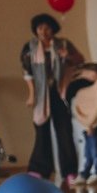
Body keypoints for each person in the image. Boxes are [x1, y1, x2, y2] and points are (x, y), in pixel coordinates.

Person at [20, 13, 84, 183]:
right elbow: (28, 73)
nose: (43, 31)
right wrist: (32, 95)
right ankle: (39, 169)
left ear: (53, 29)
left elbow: (80, 60)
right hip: (42, 94)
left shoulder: (63, 44)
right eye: (40, 27)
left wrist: (67, 56)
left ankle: (70, 171)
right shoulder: (30, 47)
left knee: (64, 131)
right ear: (35, 30)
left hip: (60, 92)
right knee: (41, 131)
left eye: (47, 27)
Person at [70, 63, 97, 185]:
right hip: (89, 125)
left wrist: (91, 123)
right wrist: (88, 123)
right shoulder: (88, 89)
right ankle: (84, 174)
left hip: (94, 126)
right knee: (88, 151)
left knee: (95, 151)